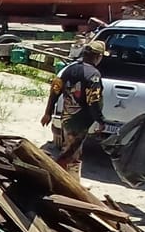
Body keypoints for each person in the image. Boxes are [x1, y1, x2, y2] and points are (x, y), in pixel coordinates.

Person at [41, 40, 107, 182]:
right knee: (71, 152)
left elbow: (55, 89)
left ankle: (73, 180)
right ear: (98, 56)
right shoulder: (93, 75)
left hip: (67, 117)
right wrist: (100, 120)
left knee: (72, 150)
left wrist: (48, 112)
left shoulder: (69, 69)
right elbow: (93, 100)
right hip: (81, 120)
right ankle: (58, 178)